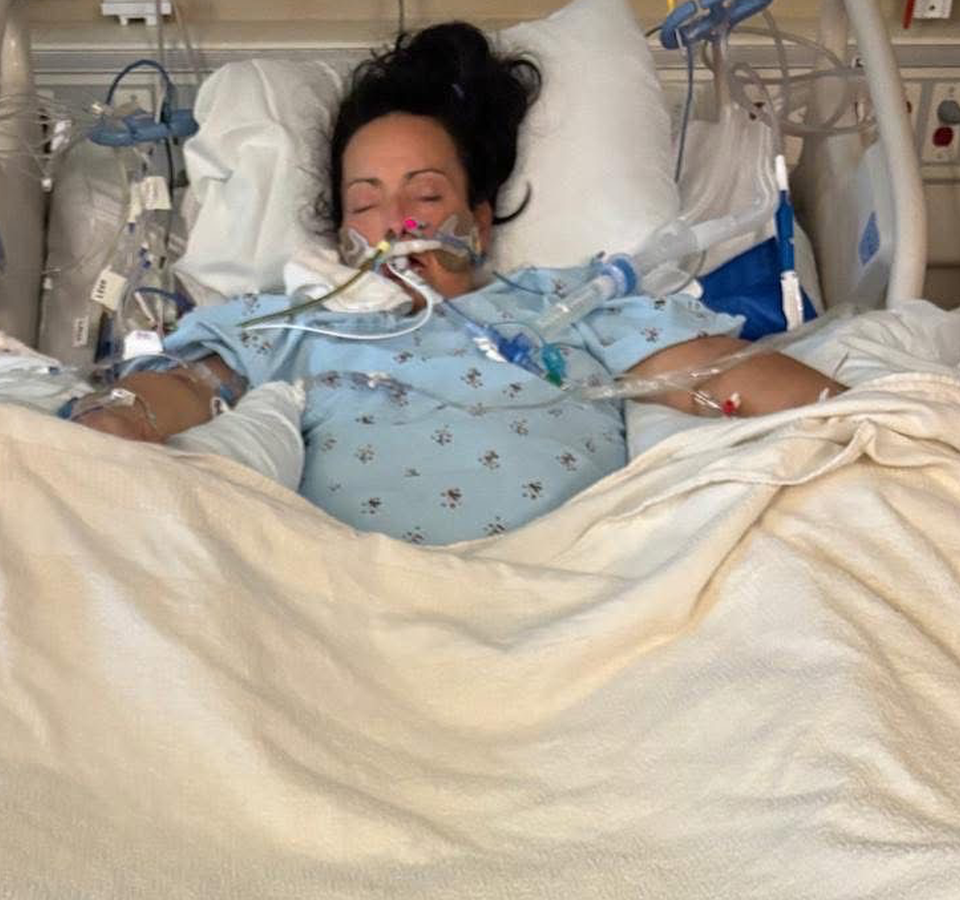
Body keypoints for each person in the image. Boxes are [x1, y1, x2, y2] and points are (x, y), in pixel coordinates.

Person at [78, 22, 842, 545]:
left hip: (575, 585)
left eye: (426, 193)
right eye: (366, 201)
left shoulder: (570, 306)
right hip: (354, 592)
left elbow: (718, 374)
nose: (396, 220)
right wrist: (119, 418)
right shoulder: (298, 325)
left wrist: (864, 420)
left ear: (477, 220)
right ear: (342, 233)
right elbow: (188, 385)